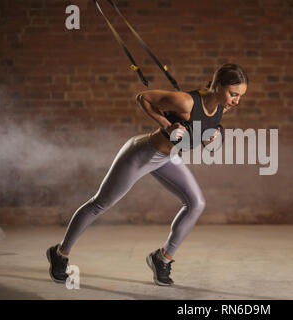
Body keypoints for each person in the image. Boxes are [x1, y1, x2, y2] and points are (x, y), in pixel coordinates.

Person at [46, 63, 248, 286]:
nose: (237, 101)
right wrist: (166, 125)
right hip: (141, 154)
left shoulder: (222, 106)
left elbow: (203, 128)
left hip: (167, 158)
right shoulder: (186, 102)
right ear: (218, 86)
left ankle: (161, 258)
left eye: (239, 96)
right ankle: (60, 253)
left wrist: (214, 134)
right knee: (100, 204)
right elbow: (143, 97)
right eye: (233, 94)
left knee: (196, 203)